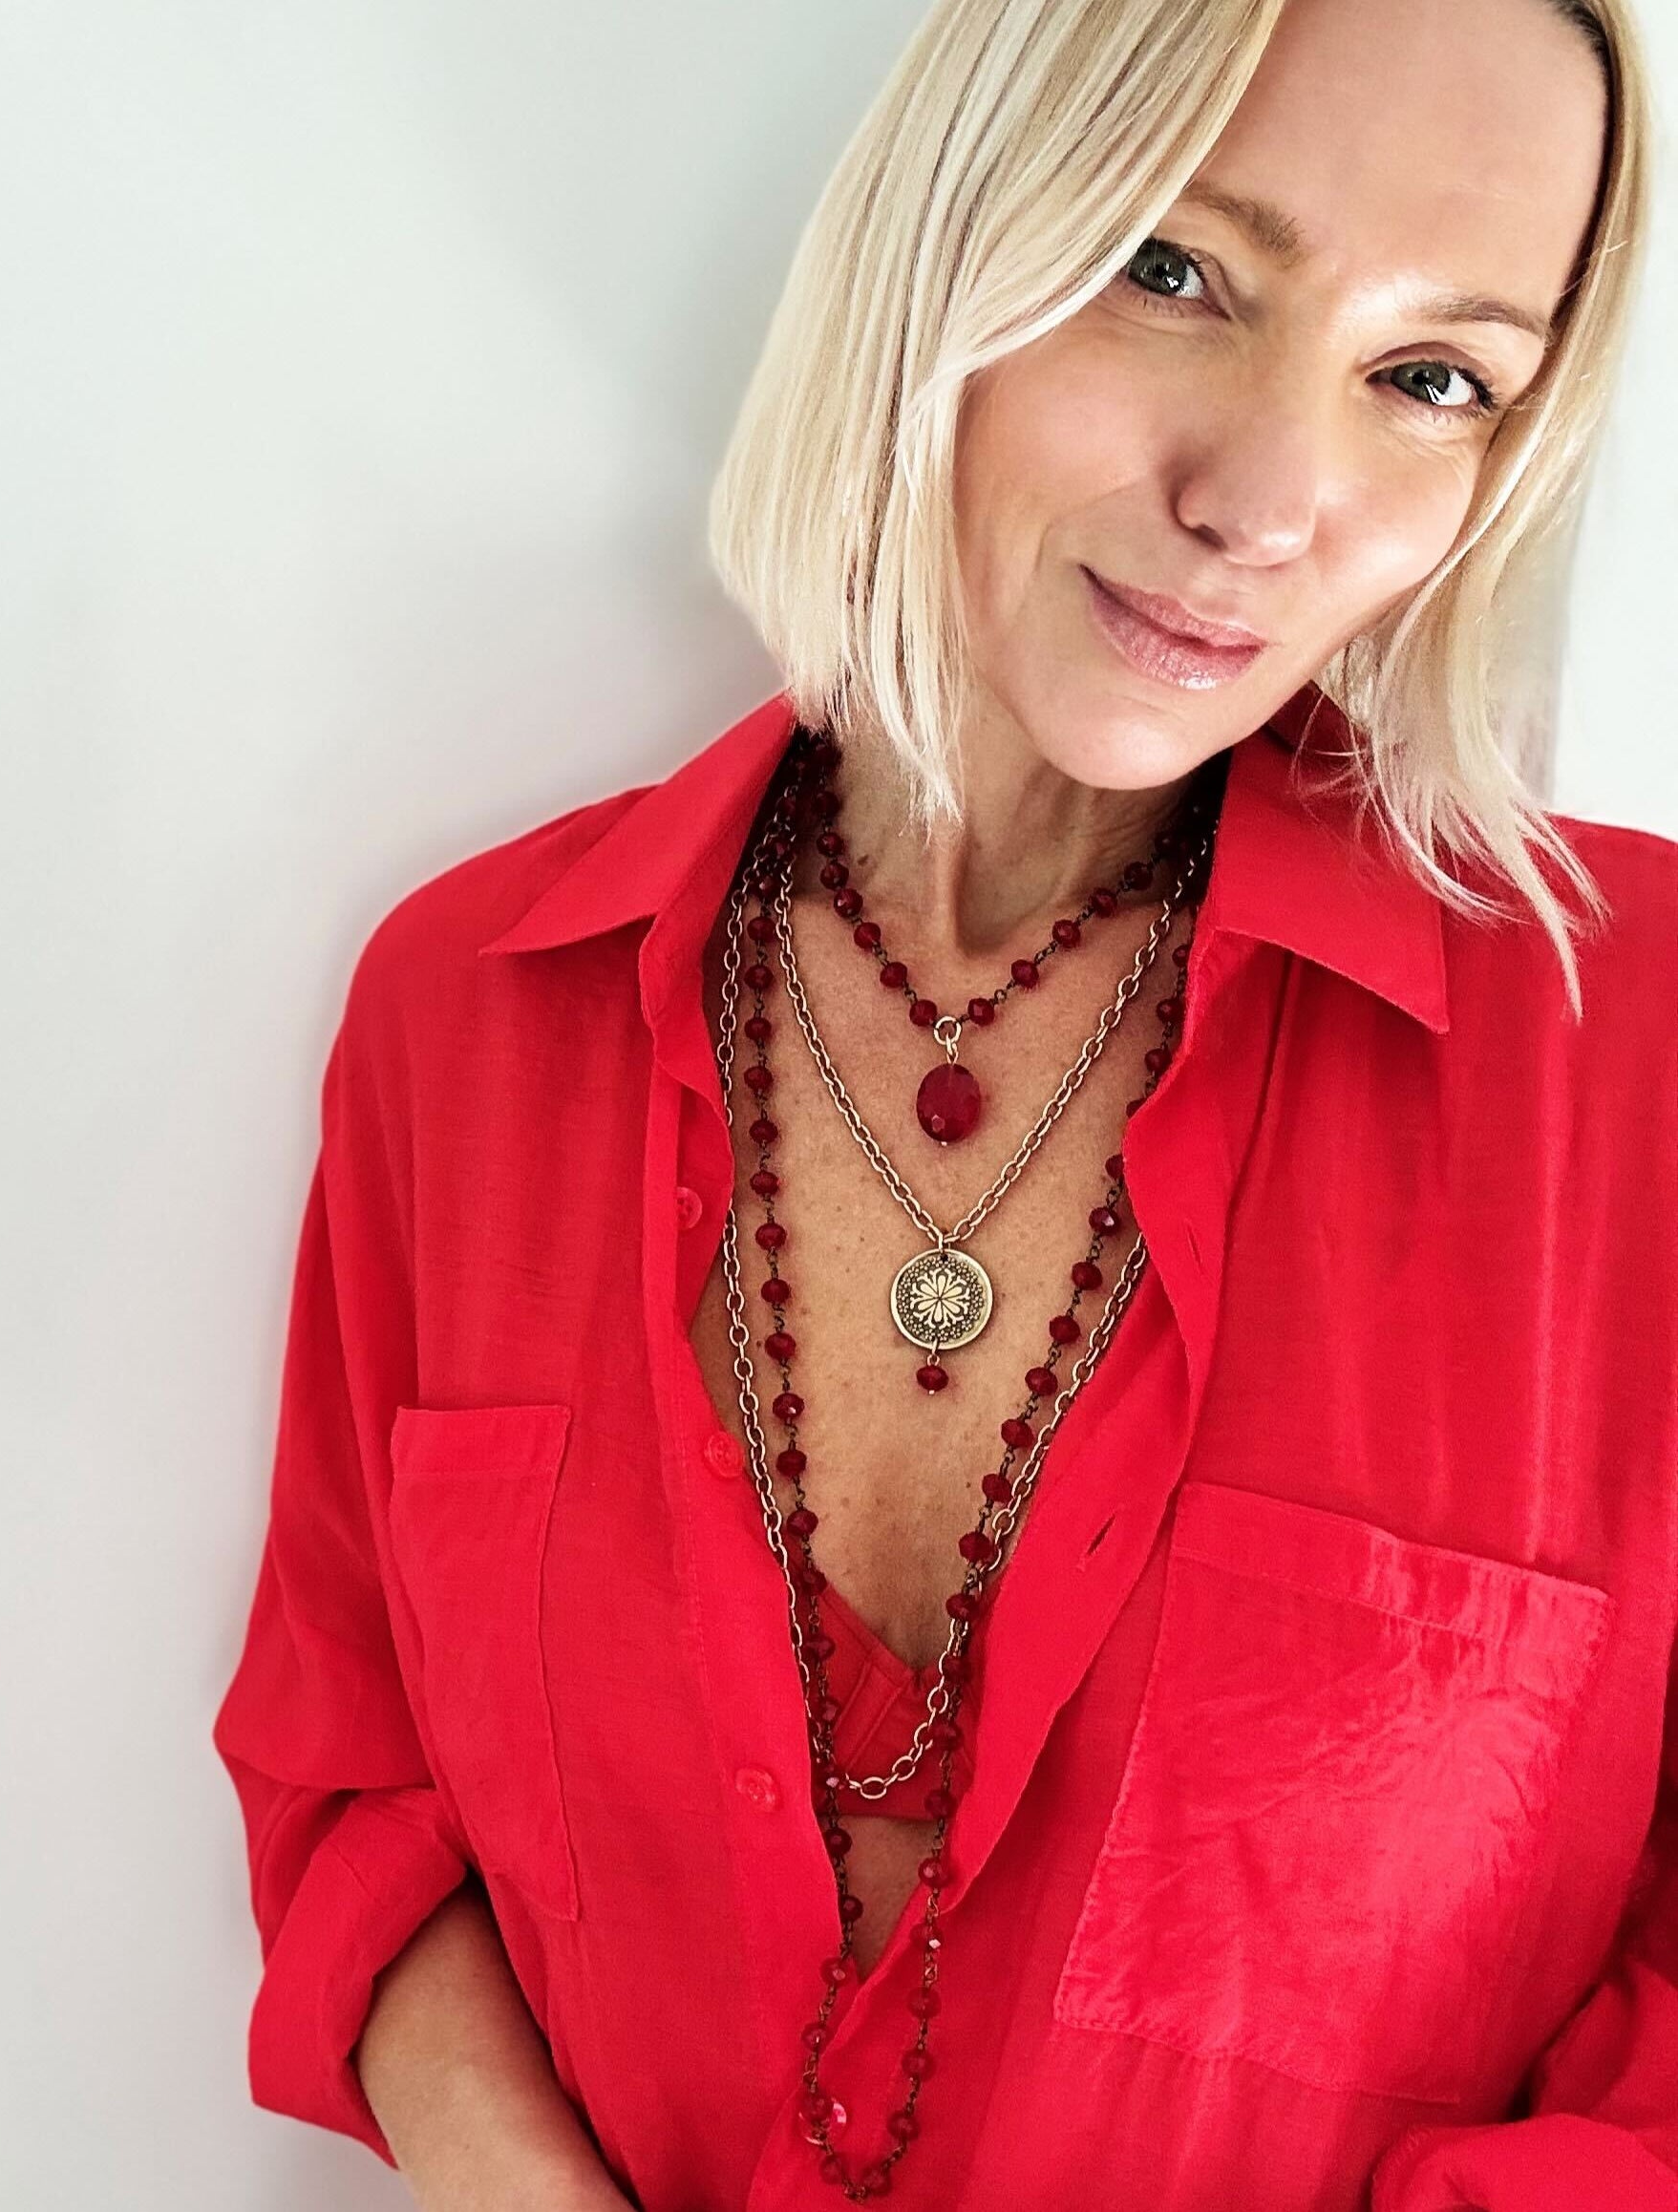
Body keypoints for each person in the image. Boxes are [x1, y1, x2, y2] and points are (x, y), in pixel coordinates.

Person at [214, 0, 1678, 2203]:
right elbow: (355, 1781)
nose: (1263, 504)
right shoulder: (474, 1014)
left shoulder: (1633, 1066)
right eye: (1178, 270)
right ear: (956, 238)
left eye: (1432, 379)